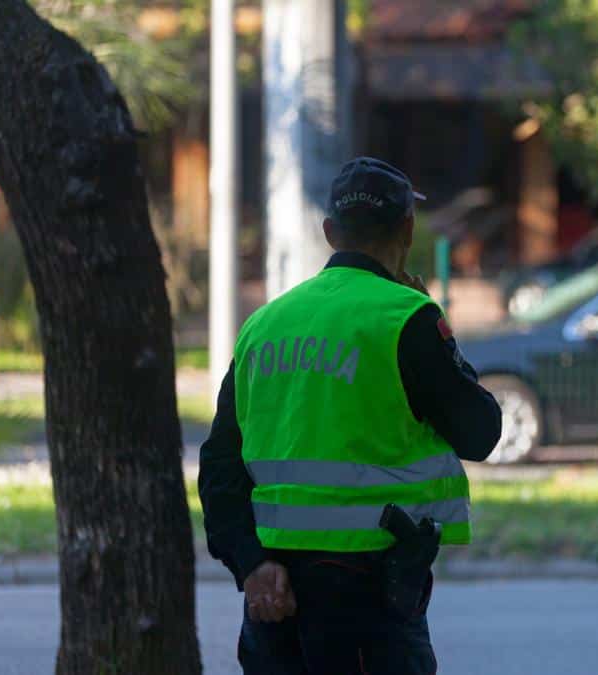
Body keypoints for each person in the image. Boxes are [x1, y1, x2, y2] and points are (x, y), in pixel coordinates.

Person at [198, 157, 503, 674]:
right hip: (370, 598)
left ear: (330, 231)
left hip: (275, 592)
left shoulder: (265, 324)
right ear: (407, 227)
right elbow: (479, 433)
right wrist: (440, 334)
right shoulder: (406, 316)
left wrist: (252, 564)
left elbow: (220, 467)